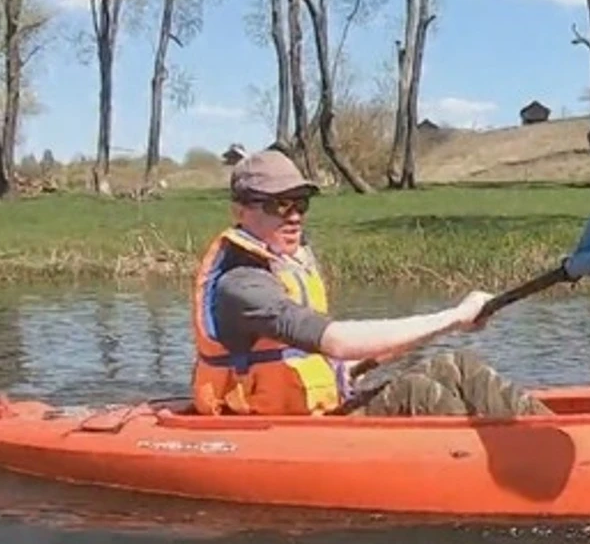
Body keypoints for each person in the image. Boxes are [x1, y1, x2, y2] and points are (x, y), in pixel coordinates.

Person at [188, 147, 547, 418]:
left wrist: (451, 325)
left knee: (456, 365)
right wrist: (454, 315)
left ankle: (547, 437)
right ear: (240, 211)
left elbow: (337, 357)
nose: (294, 216)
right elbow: (340, 342)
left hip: (321, 411)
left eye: (301, 203)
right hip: (281, 429)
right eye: (278, 205)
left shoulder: (286, 265)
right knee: (419, 393)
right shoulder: (242, 286)